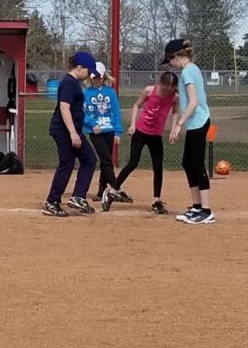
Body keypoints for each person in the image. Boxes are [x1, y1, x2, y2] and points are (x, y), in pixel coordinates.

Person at [102, 71, 179, 214]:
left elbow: (175, 112)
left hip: (156, 134)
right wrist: (133, 124)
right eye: (164, 89)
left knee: (158, 166)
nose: (166, 92)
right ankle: (112, 191)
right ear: (159, 84)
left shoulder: (174, 97)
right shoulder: (150, 91)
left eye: (170, 89)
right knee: (133, 162)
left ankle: (157, 201)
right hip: (141, 131)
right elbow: (136, 105)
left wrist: (174, 128)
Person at [164, 38, 215, 225]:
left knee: (196, 165)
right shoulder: (192, 69)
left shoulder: (187, 72)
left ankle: (206, 210)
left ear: (177, 56)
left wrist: (178, 125)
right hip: (196, 123)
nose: (170, 63)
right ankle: (196, 206)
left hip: (198, 121)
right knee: (188, 163)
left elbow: (193, 102)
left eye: (170, 59)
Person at [42, 51, 99, 217]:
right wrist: (73, 133)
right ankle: (52, 202)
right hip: (64, 130)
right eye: (89, 71)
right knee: (68, 163)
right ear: (80, 67)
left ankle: (78, 196)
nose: (90, 75)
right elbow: (64, 107)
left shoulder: (74, 83)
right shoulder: (69, 83)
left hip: (70, 129)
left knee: (88, 159)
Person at [83, 62, 123, 207]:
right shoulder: (86, 93)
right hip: (96, 132)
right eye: (94, 77)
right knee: (106, 160)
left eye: (99, 77)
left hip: (110, 130)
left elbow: (116, 113)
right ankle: (115, 187)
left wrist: (118, 131)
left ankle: (101, 191)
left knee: (105, 160)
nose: (97, 79)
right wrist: (93, 124)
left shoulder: (111, 92)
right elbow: (83, 113)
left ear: (104, 76)